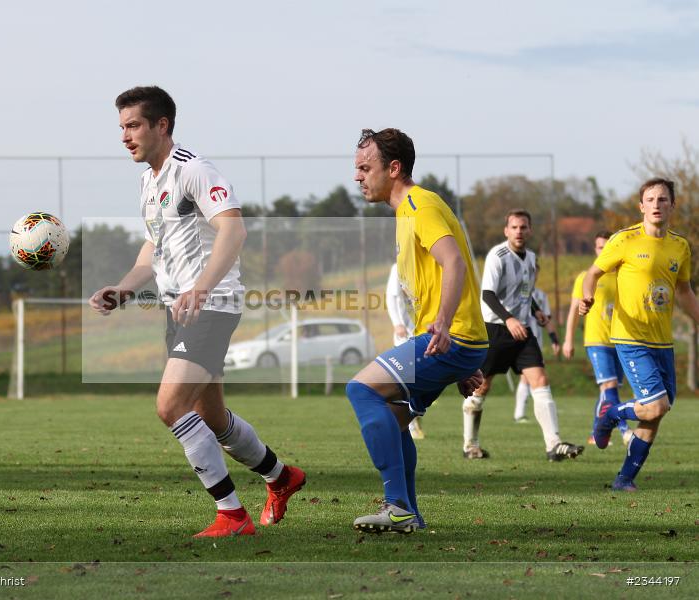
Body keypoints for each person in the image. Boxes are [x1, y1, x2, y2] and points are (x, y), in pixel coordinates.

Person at [89, 86, 305, 537]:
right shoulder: (149, 181)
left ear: (161, 125)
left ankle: (232, 515)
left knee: (170, 406)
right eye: (122, 128)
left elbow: (233, 228)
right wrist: (124, 289)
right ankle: (282, 477)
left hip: (211, 304)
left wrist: (202, 288)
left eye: (133, 126)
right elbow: (154, 248)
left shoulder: (194, 170)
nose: (125, 137)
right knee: (212, 418)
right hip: (181, 308)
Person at [347, 128, 487, 534]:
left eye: (364, 167)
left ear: (393, 168)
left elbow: (455, 263)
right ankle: (408, 513)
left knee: (361, 389)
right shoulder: (407, 210)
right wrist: (461, 363)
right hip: (458, 342)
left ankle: (398, 507)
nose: (357, 176)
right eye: (356, 168)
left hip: (452, 337)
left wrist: (444, 326)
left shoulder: (419, 205)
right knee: (394, 417)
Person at [581, 178, 699, 492]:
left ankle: (624, 479)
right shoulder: (624, 240)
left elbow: (684, 291)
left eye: (663, 199)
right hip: (630, 336)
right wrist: (586, 296)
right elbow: (593, 273)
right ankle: (610, 413)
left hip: (663, 340)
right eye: (651, 199)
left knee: (657, 411)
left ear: (672, 205)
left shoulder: (680, 246)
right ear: (641, 206)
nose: (657, 205)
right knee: (656, 405)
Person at [462, 210, 583, 461]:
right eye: (514, 227)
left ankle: (554, 445)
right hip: (495, 329)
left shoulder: (531, 258)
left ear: (530, 231)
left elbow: (524, 295)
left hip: (522, 331)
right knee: (481, 388)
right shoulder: (498, 256)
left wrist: (536, 311)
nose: (519, 231)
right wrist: (509, 319)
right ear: (506, 230)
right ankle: (470, 444)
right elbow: (488, 295)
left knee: (540, 380)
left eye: (523, 227)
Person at [562, 231, 631, 445]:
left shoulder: (623, 276)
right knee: (609, 386)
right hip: (596, 341)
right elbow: (574, 309)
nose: (603, 250)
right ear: (595, 249)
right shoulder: (587, 277)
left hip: (619, 341)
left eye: (606, 247)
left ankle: (595, 433)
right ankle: (625, 430)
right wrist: (568, 339)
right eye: (599, 247)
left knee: (607, 391)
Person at [513, 262, 561, 423]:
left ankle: (524, 412)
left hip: (535, 341)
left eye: (536, 273)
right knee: (528, 377)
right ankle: (520, 413)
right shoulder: (515, 293)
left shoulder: (540, 295)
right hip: (517, 339)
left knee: (532, 378)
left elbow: (546, 320)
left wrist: (554, 339)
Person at [386, 263, 425, 439]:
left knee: (421, 378)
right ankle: (409, 424)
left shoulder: (429, 263)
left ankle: (412, 419)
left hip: (424, 331)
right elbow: (391, 297)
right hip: (405, 333)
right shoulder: (400, 266)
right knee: (407, 379)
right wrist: (397, 323)